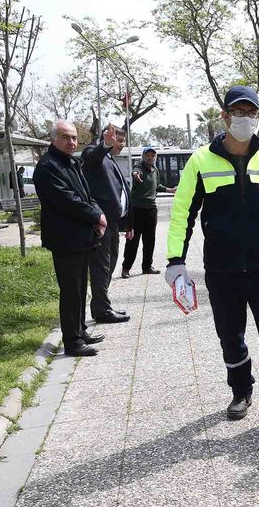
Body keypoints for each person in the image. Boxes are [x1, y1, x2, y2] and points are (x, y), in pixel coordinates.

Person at [165, 85, 259, 436]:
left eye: (251, 112)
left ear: (258, 116)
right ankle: (241, 389)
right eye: (238, 112)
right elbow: (183, 211)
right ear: (225, 116)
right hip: (222, 269)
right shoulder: (200, 160)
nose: (245, 118)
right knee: (231, 337)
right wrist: (174, 259)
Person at [33, 121, 107, 357]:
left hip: (82, 237)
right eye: (66, 137)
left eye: (74, 138)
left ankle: (80, 330)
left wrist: (99, 214)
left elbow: (86, 195)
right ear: (53, 139)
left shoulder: (72, 163)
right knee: (71, 290)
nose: (72, 142)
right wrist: (95, 215)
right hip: (65, 239)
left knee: (80, 288)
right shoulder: (47, 167)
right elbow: (67, 200)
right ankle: (72, 341)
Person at [81, 124, 132, 324]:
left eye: (123, 141)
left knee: (110, 264)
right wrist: (104, 145)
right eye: (118, 140)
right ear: (107, 138)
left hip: (113, 223)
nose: (121, 145)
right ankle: (102, 309)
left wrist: (128, 223)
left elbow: (121, 193)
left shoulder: (111, 160)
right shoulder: (95, 154)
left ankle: (101, 304)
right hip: (100, 223)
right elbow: (93, 156)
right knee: (101, 267)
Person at [121, 147, 175, 278]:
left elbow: (157, 187)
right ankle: (126, 268)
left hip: (151, 209)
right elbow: (135, 171)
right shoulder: (139, 167)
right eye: (148, 155)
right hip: (137, 209)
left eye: (152, 156)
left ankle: (147, 267)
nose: (150, 158)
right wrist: (135, 175)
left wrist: (171, 190)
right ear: (143, 156)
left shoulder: (155, 170)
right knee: (133, 240)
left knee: (150, 240)